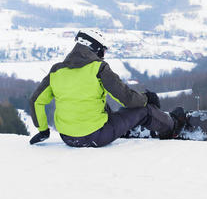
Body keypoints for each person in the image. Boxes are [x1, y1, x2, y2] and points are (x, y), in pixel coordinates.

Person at [29, 29, 188, 147]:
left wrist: (43, 131)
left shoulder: (56, 70)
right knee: (144, 110)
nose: (103, 55)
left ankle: (122, 129)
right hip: (95, 137)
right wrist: (147, 98)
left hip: (67, 137)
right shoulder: (99, 67)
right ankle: (173, 126)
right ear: (94, 49)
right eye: (102, 51)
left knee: (98, 103)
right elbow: (126, 97)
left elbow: (36, 101)